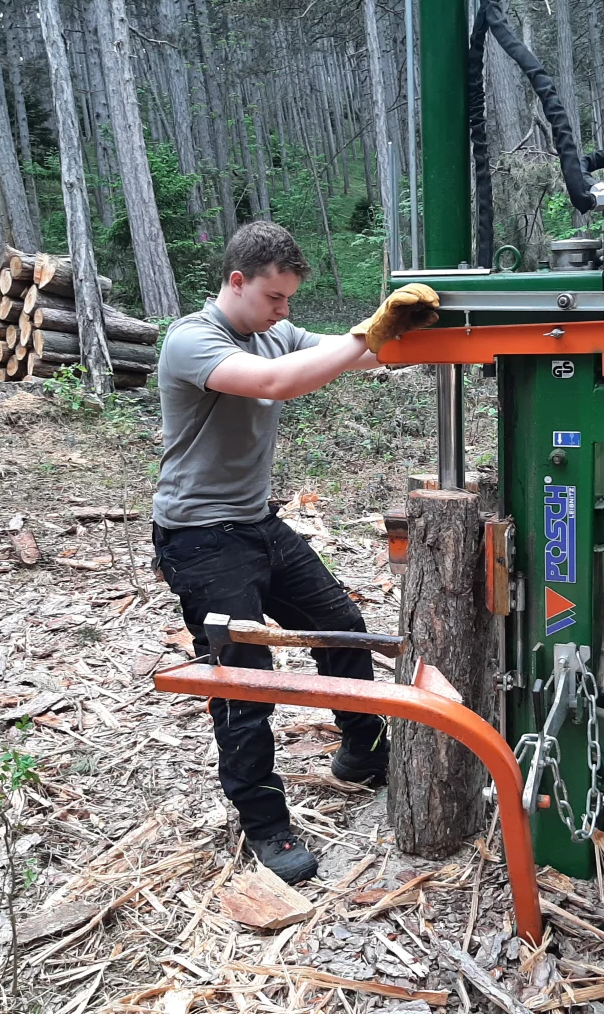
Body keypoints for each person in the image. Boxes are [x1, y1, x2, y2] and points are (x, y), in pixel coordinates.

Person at [152, 221, 438, 884]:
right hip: (200, 537)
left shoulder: (272, 330)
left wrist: (411, 336)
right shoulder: (192, 340)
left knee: (342, 626)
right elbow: (277, 382)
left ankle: (362, 753)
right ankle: (265, 826)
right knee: (242, 680)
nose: (286, 312)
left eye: (289, 300)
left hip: (256, 524)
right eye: (275, 297)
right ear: (237, 282)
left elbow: (357, 356)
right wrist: (371, 331)